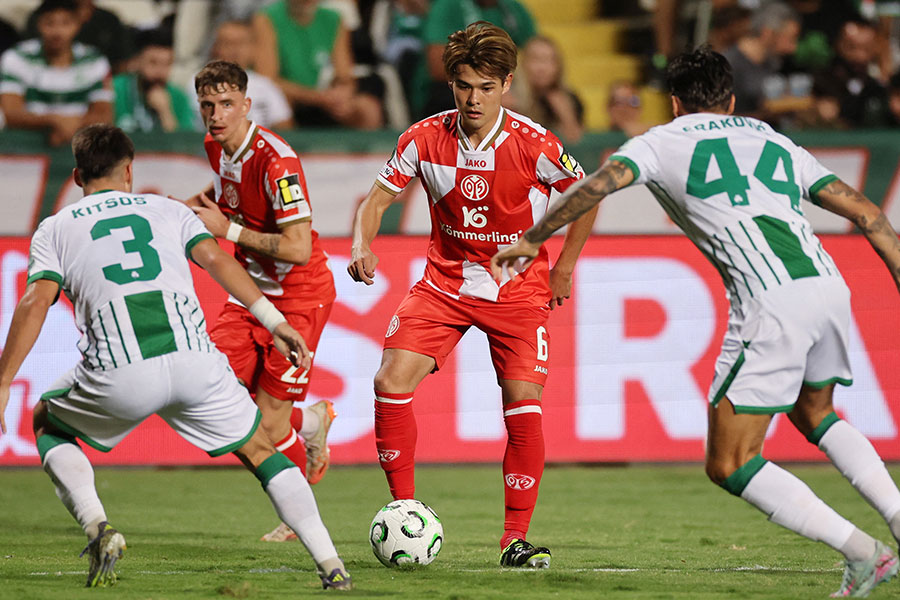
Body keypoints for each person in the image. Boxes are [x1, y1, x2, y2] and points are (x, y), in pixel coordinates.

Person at [491, 45, 900, 598]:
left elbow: (597, 185)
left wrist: (533, 237)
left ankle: (865, 553)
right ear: (730, 99)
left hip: (769, 301)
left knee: (730, 462)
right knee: (816, 412)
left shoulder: (660, 142)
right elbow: (870, 214)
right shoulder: (775, 141)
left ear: (675, 103)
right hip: (828, 287)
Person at [0, 124, 351, 591]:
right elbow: (220, 261)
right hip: (195, 364)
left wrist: (4, 380)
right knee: (262, 452)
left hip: (119, 372)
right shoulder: (165, 208)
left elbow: (34, 304)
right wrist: (274, 320)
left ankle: (98, 526)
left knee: (47, 420)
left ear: (77, 175)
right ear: (130, 171)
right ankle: (331, 565)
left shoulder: (55, 228)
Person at [347, 21, 597, 568]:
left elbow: (587, 197)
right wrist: (363, 241)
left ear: (507, 84)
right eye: (464, 86)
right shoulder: (422, 138)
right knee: (390, 380)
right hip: (445, 284)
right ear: (452, 84)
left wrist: (565, 268)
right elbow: (377, 198)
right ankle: (403, 513)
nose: (473, 98)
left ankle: (514, 540)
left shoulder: (533, 143)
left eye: (486, 87)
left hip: (517, 290)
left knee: (522, 405)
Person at [188, 60, 337, 543]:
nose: (216, 114)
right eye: (208, 105)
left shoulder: (278, 162)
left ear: (247, 105)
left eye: (227, 104)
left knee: (267, 427)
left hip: (299, 297)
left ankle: (299, 515)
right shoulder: (216, 147)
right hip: (251, 295)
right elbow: (226, 196)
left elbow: (298, 247)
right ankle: (310, 423)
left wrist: (226, 230)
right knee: (213, 392)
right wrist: (196, 211)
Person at [251, 0, 384, 129]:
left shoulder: (334, 18)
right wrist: (317, 97)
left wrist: (342, 93)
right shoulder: (266, 18)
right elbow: (267, 80)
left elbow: (344, 73)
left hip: (326, 96)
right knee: (280, 106)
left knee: (368, 109)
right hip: (293, 98)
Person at [0, 0, 113, 146]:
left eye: (65, 23)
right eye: (49, 23)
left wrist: (69, 125)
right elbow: (11, 113)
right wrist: (54, 120)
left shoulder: (95, 60)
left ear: (78, 25)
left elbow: (104, 115)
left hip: (79, 150)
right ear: (38, 24)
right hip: (25, 149)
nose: (57, 31)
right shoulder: (16, 57)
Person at [418, 0, 536, 117]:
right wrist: (493, 88)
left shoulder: (513, 8)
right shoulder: (448, 5)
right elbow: (438, 67)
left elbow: (537, 52)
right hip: (448, 92)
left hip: (505, 85)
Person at [200, 19, 294, 129]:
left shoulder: (266, 86)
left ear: (252, 48)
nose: (235, 50)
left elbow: (285, 128)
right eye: (228, 43)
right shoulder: (197, 84)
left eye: (241, 43)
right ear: (215, 48)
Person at [113, 28, 199, 133]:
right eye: (153, 63)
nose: (160, 72)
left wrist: (165, 112)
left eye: (167, 63)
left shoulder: (179, 97)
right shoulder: (114, 90)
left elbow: (184, 145)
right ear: (137, 61)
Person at [506, 36, 584, 143]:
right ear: (523, 63)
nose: (542, 68)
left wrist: (567, 115)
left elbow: (576, 142)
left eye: (548, 60)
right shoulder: (507, 95)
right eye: (536, 59)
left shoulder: (570, 99)